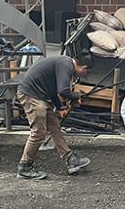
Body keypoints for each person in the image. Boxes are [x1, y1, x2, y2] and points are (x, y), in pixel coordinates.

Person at [15, 51, 92, 180]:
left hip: (39, 96)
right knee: (39, 132)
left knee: (55, 127)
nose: (84, 75)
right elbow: (63, 90)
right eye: (86, 72)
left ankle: (70, 159)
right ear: (83, 68)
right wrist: (76, 96)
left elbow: (52, 90)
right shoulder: (66, 65)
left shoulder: (64, 63)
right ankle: (24, 167)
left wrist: (60, 106)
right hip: (31, 95)